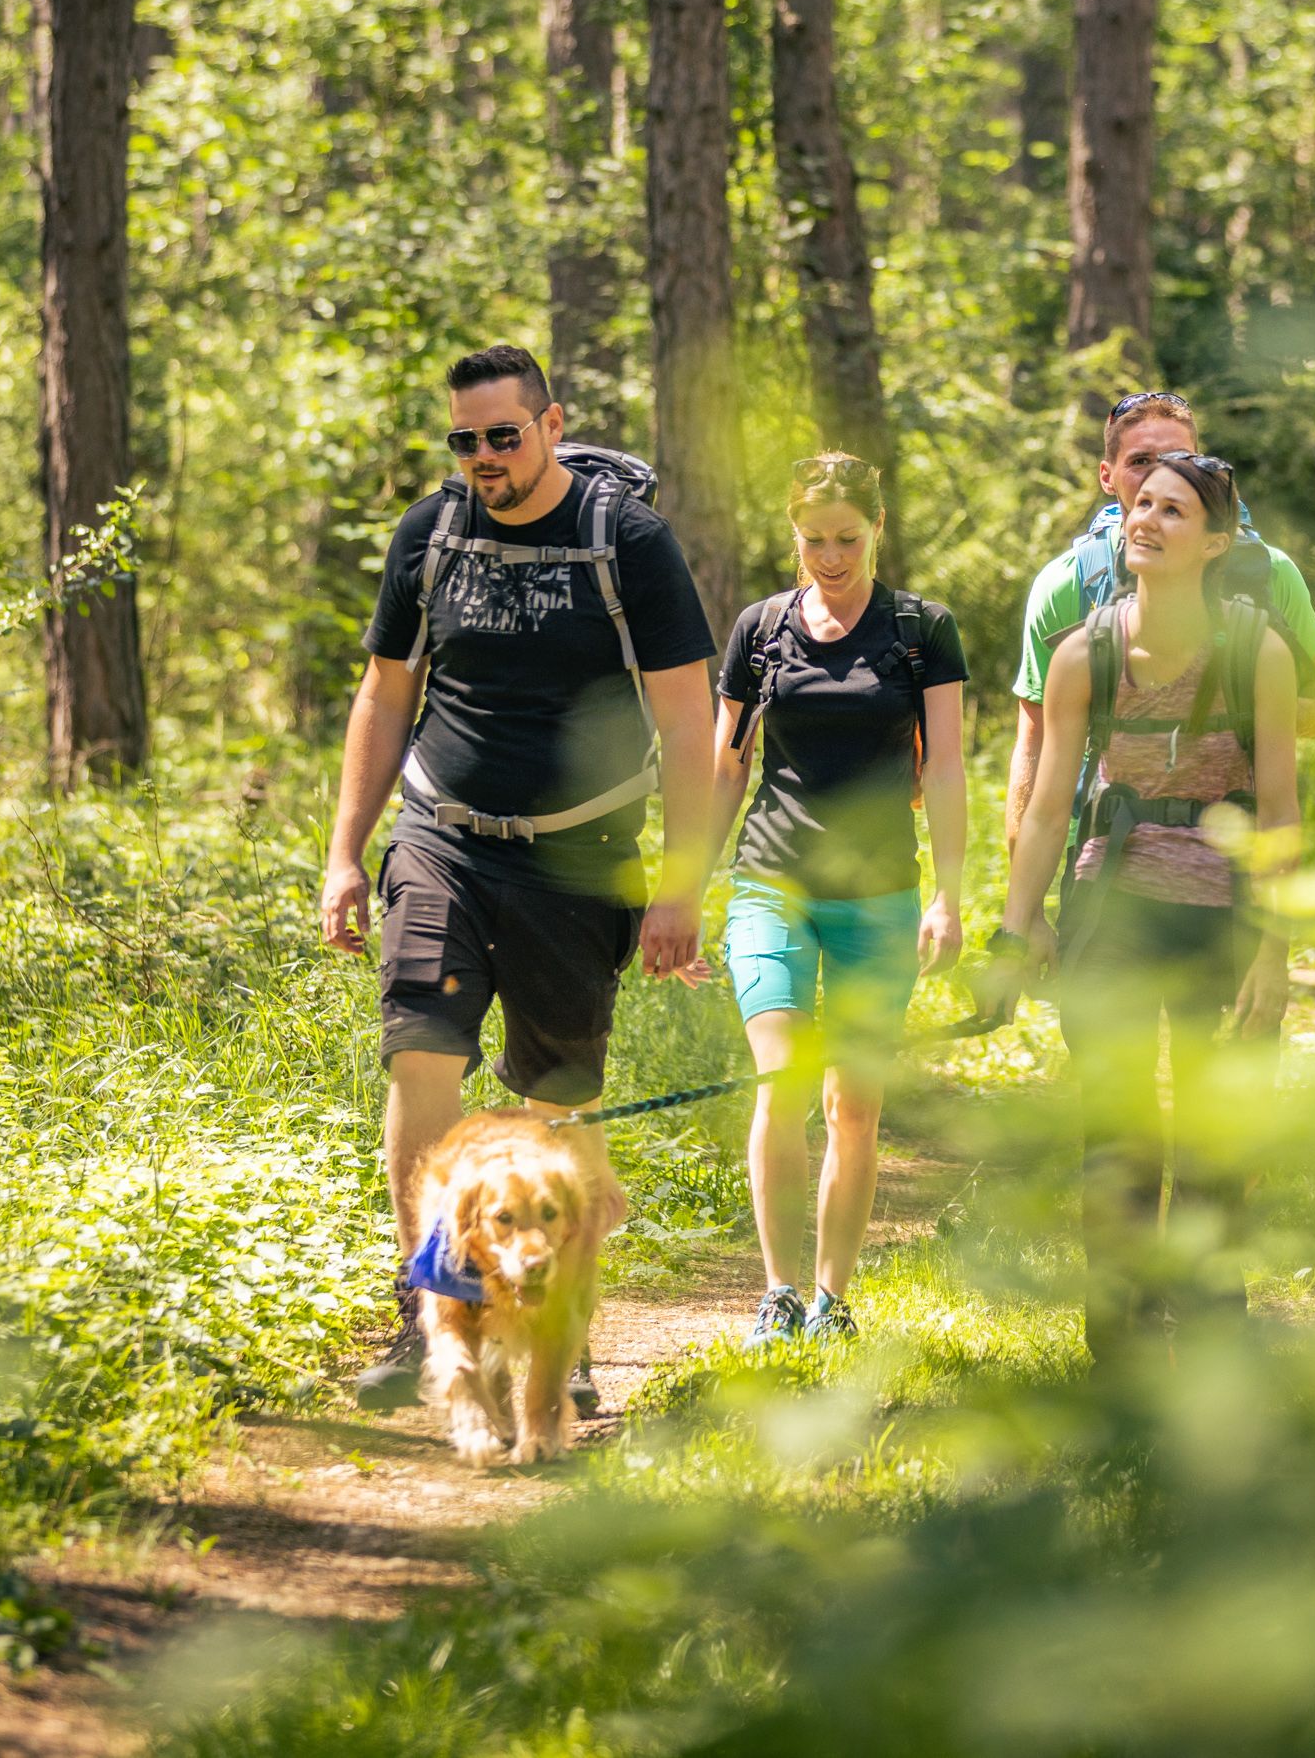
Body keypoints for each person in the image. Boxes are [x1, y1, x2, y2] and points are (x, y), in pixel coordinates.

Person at [319, 343, 720, 1415]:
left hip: (578, 856)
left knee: (556, 1100)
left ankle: (557, 1323)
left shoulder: (624, 540)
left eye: (503, 434)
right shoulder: (432, 531)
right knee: (421, 1058)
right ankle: (431, 1310)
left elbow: (689, 720)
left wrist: (680, 887)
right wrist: (344, 851)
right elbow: (383, 695)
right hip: (440, 836)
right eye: (465, 439)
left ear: (549, 424)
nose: (484, 457)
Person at [988, 450, 1300, 1367]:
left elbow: (1281, 811)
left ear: (1216, 543)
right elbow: (1047, 809)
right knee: (1117, 1129)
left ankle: (1209, 1331)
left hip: (1223, 911)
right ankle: (1118, 1345)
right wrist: (1016, 929)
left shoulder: (1257, 651)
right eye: (1142, 504)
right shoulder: (1085, 652)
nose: (1147, 522)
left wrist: (1274, 955)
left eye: (1173, 512)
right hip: (1111, 902)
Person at [704, 453, 970, 1343]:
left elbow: (949, 774)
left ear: (878, 528)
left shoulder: (921, 631)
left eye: (847, 538)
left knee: (853, 1105)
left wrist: (951, 897)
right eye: (814, 539)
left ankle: (831, 1300)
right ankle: (777, 1294)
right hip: (770, 882)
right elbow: (726, 765)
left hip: (880, 894)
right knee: (782, 1081)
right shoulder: (760, 627)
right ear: (793, 534)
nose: (830, 556)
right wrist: (679, 890)